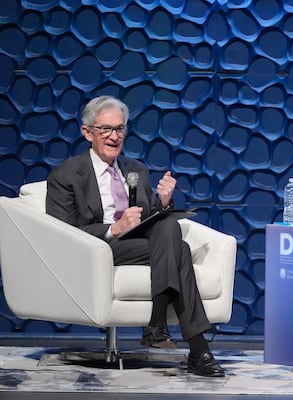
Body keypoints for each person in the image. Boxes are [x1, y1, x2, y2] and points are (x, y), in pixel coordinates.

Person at [46, 95, 225, 377]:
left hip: (138, 245)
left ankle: (159, 327)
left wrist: (164, 202)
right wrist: (112, 229)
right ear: (87, 132)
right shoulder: (67, 174)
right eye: (106, 129)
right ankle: (195, 347)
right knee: (178, 250)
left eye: (120, 129)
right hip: (97, 247)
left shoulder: (135, 170)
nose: (114, 136)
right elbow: (59, 232)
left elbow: (150, 218)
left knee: (170, 230)